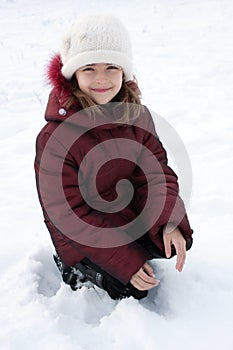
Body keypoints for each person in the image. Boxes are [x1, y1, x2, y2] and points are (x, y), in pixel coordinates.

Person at [34, 14, 193, 300]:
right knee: (129, 288)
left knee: (165, 244)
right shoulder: (55, 139)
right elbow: (69, 215)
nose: (102, 79)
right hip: (76, 233)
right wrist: (126, 262)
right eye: (89, 69)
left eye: (111, 67)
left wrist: (169, 221)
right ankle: (76, 268)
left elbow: (155, 174)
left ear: (124, 72)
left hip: (119, 214)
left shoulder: (138, 116)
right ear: (73, 75)